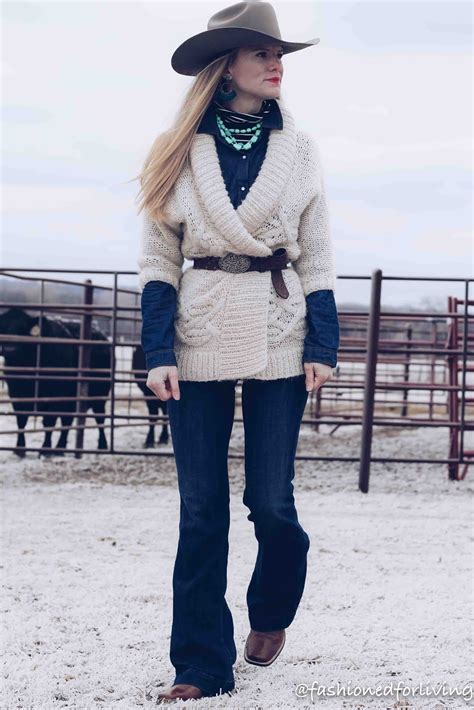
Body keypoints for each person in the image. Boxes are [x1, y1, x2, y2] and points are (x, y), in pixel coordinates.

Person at [135, 1, 340, 702]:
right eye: (262, 53)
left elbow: (318, 257)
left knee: (272, 504)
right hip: (196, 337)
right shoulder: (175, 148)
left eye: (278, 54)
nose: (276, 64)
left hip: (281, 335)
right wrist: (156, 350)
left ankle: (273, 607)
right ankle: (199, 665)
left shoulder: (302, 150)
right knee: (201, 511)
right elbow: (158, 261)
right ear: (227, 70)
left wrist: (324, 342)